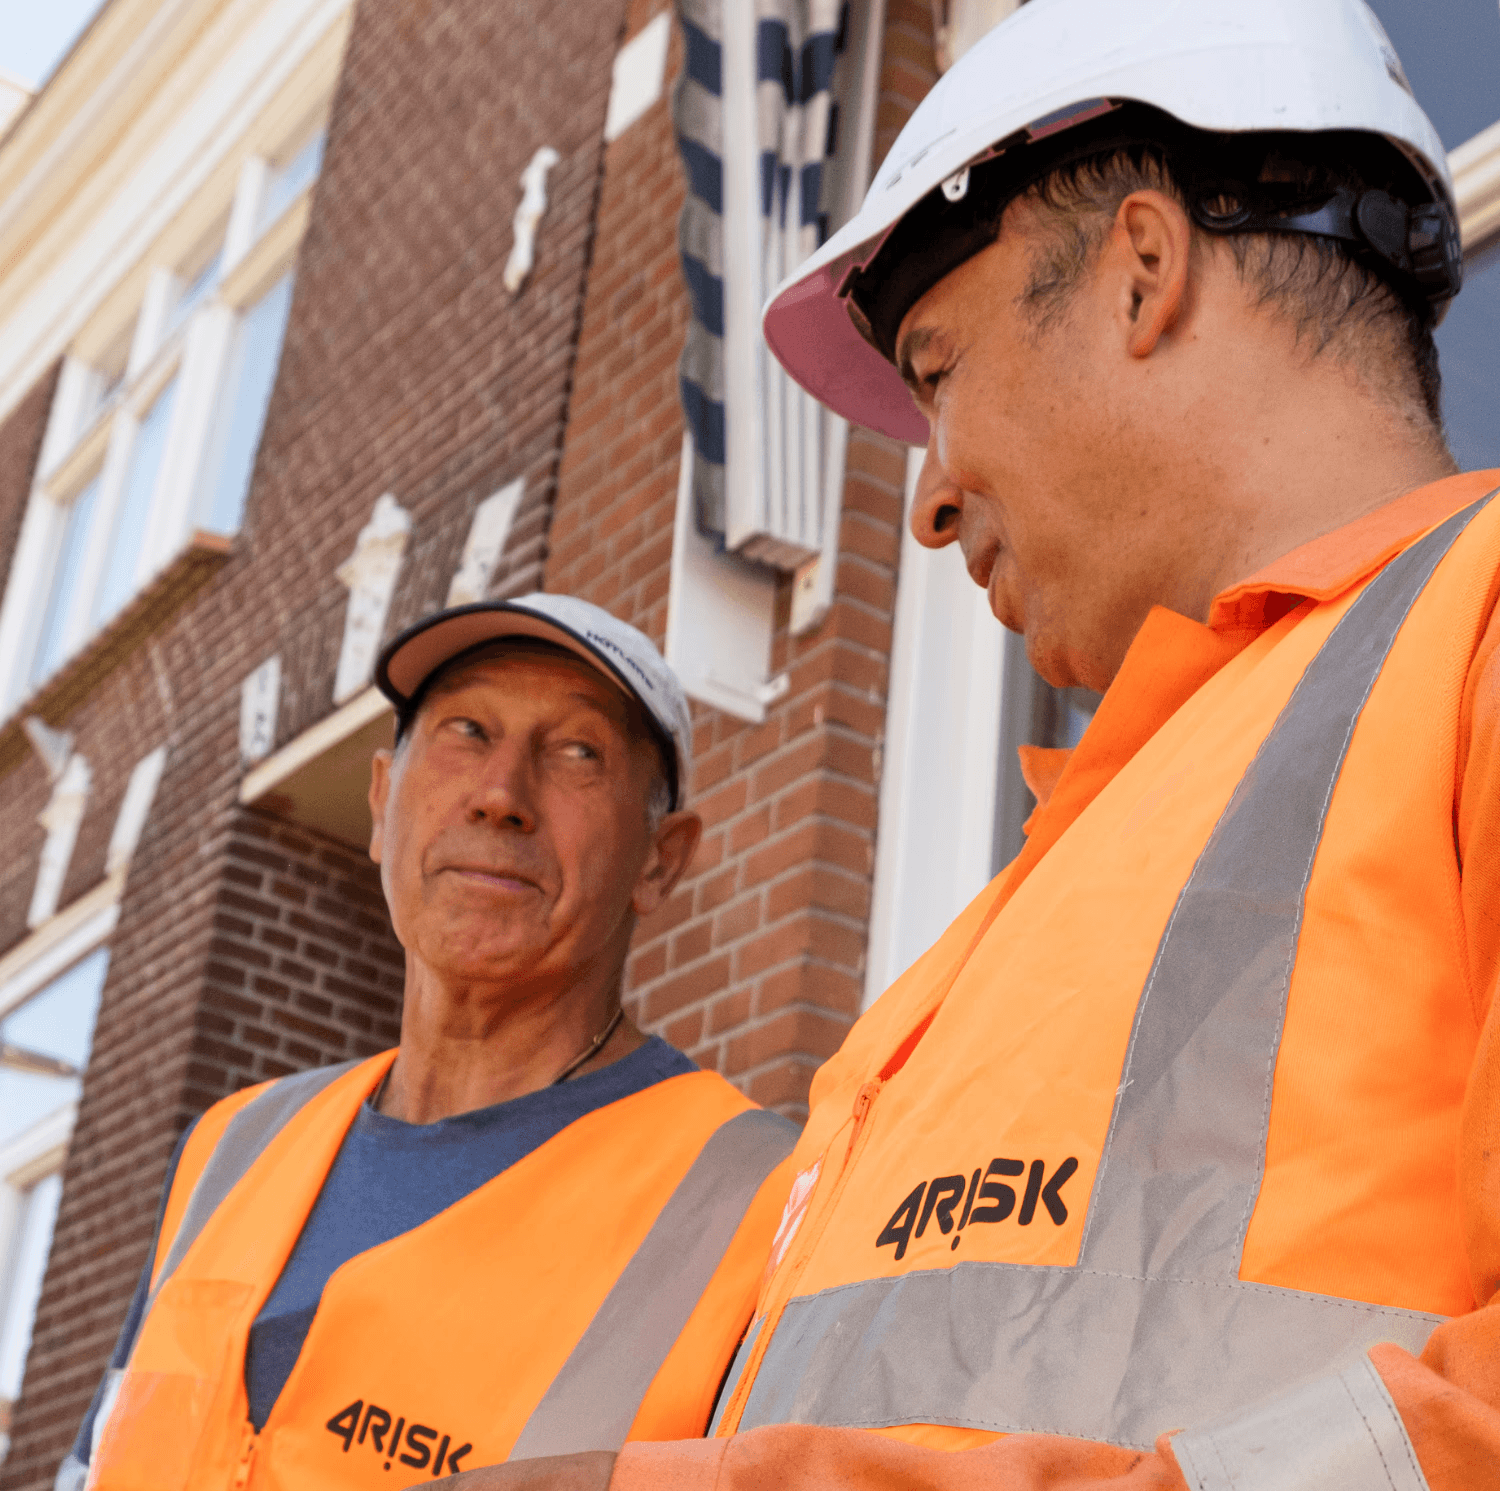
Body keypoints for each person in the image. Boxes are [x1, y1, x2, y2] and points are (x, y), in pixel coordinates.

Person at [445, 1, 1500, 1488]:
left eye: (937, 372)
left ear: (1142, 269)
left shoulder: (1471, 630)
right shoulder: (1029, 906)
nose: (930, 499)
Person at [62, 593, 798, 1491]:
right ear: (381, 802)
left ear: (661, 858)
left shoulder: (753, 1197)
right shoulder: (231, 1147)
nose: (500, 795)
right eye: (466, 729)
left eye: (578, 752)